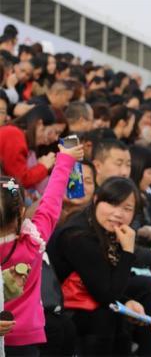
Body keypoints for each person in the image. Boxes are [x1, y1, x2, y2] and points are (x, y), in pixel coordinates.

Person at [46, 177, 151, 355]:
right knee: (107, 315)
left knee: (148, 287)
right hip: (59, 306)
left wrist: (127, 300)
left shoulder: (104, 229)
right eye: (112, 204)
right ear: (96, 199)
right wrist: (128, 251)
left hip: (88, 292)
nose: (119, 213)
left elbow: (105, 281)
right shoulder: (78, 237)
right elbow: (106, 294)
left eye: (127, 208)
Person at [0, 142, 83, 355]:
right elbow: (51, 202)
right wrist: (64, 160)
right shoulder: (33, 242)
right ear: (21, 211)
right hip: (24, 337)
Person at [0, 105, 59, 189]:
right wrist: (43, 166)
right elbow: (19, 181)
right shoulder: (14, 135)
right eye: (54, 132)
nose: (56, 138)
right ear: (39, 124)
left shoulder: (16, 134)